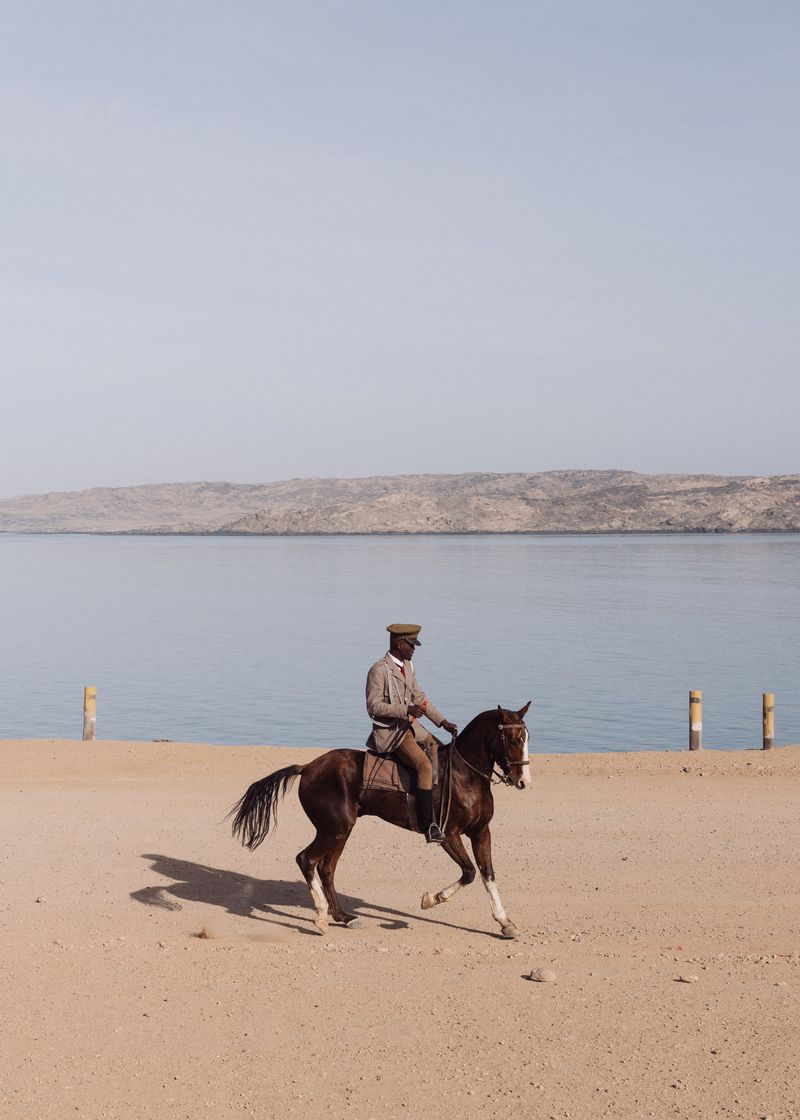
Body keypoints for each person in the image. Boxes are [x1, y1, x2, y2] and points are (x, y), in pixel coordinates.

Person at [365, 623, 458, 843]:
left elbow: (420, 698)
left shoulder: (408, 666)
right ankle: (428, 825)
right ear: (400, 644)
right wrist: (405, 710)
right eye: (411, 644)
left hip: (412, 727)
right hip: (392, 732)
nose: (414, 649)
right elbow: (373, 707)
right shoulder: (379, 670)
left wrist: (442, 722)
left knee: (441, 751)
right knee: (424, 766)